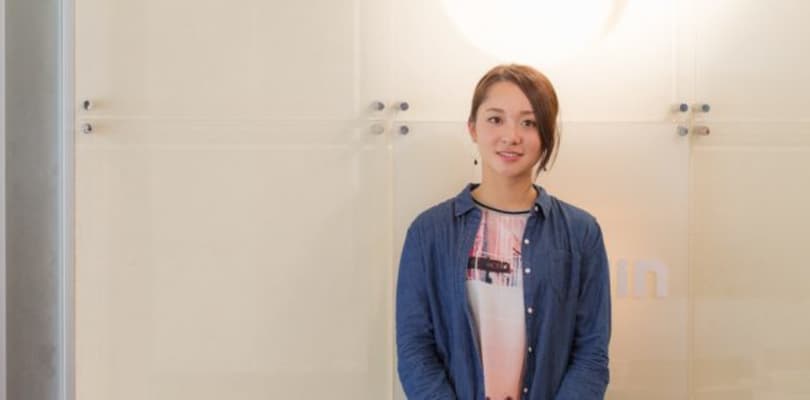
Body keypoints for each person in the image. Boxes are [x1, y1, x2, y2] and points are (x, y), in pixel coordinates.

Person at [395, 64, 611, 400]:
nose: (511, 136)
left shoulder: (581, 233)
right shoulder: (429, 232)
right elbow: (415, 349)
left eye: (529, 122)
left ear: (547, 134)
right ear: (472, 128)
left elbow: (591, 352)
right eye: (496, 119)